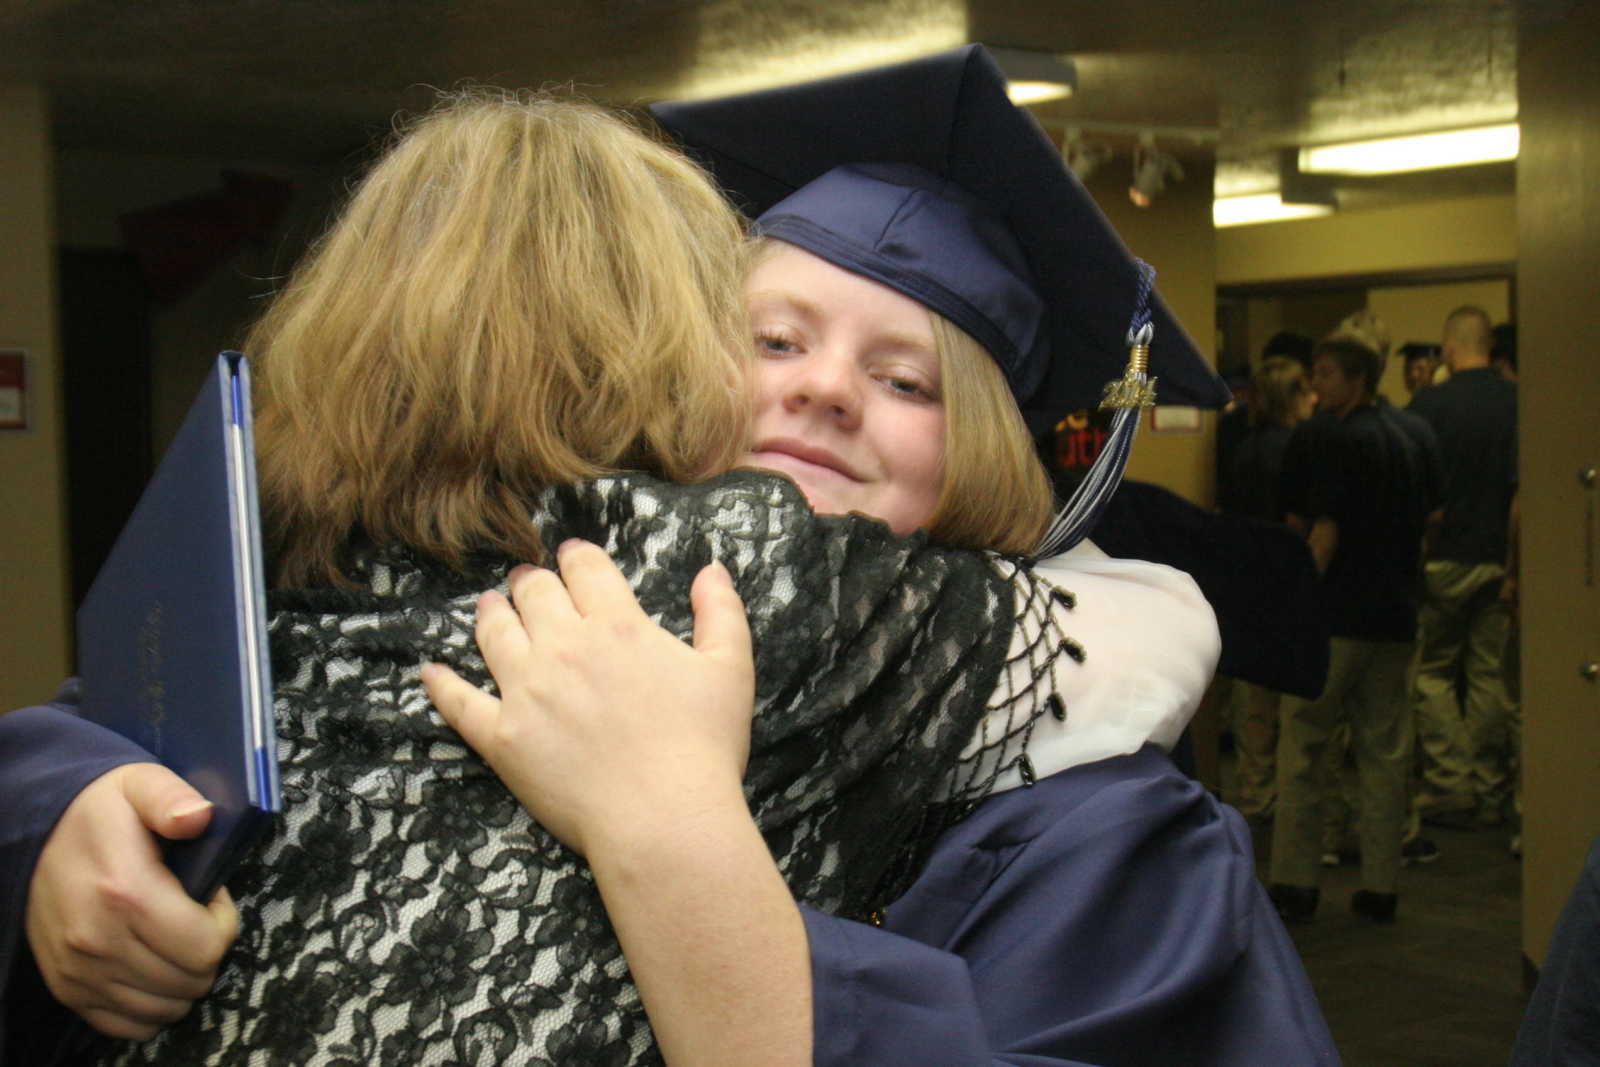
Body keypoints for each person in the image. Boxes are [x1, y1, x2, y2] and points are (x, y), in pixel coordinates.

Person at [4, 50, 1336, 1066]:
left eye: (907, 379)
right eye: (770, 340)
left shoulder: (1104, 818)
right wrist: (70, 814)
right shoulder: (507, 601)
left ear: (986, 454)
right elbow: (135, 713)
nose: (823, 390)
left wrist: (673, 840)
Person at [1269, 332, 1431, 925]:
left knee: (1305, 748)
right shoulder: (1415, 436)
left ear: (1357, 379)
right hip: (1396, 617)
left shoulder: (1333, 440)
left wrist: (1295, 603)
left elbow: (1323, 533)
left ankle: (1295, 881)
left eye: (1327, 373)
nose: (1316, 385)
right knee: (1385, 754)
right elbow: (1435, 518)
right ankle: (1381, 884)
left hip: (1335, 619)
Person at [1407, 306, 1518, 829]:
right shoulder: (1517, 400)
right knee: (1488, 673)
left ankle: (1452, 781)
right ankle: (1489, 783)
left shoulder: (1429, 405)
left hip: (1443, 555)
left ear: (1449, 348)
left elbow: (1413, 487)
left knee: (1432, 672)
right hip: (1499, 556)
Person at [1218, 354, 1317, 820]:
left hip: (1246, 576)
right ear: (1290, 397)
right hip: (1288, 576)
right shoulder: (1302, 449)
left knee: (1253, 700)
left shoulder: (1243, 448)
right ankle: (1295, 798)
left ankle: (1256, 792)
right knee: (1296, 704)